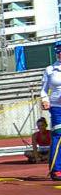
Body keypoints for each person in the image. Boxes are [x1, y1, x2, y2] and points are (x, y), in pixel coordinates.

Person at [41, 41, 61, 180]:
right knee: (58, 136)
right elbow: (44, 90)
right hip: (57, 108)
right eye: (59, 51)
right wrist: (45, 100)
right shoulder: (50, 70)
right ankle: (56, 169)